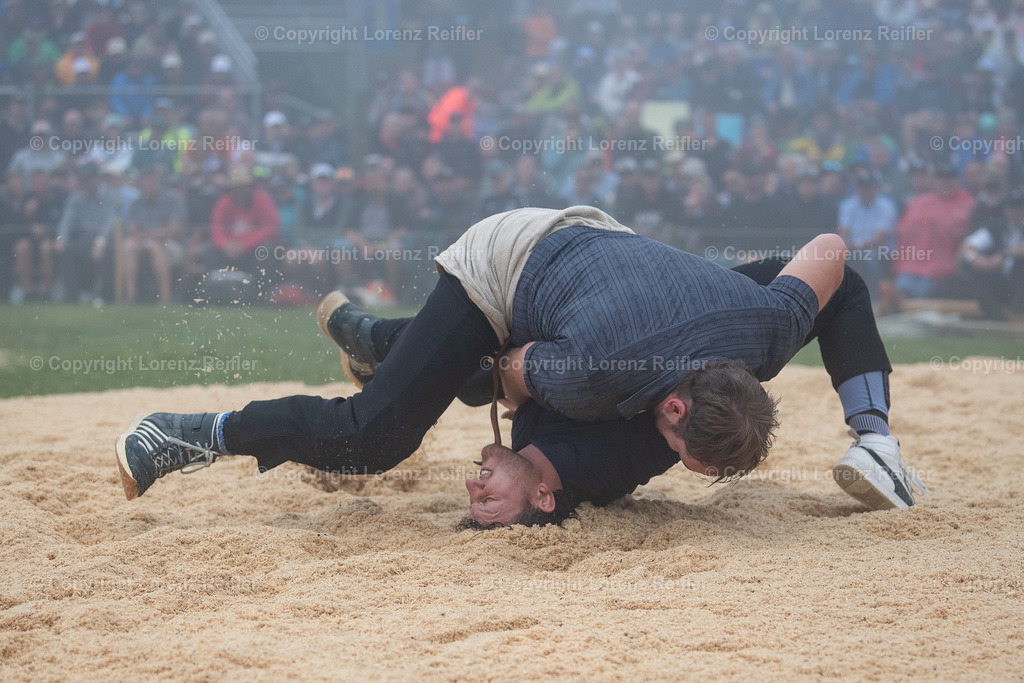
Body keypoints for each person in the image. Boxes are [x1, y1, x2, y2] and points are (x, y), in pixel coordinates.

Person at [115, 207, 925, 527]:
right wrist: (430, 373)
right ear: (676, 410)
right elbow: (506, 366)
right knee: (377, 433)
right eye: (686, 455)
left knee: (837, 292)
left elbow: (831, 252)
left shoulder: (770, 328)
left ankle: (877, 439)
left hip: (618, 265)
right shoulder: (591, 376)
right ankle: (188, 432)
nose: (676, 463)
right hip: (511, 266)